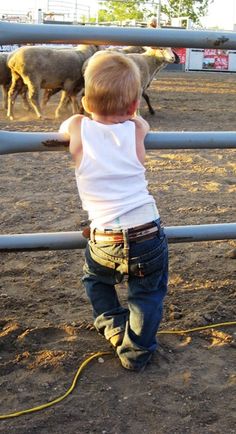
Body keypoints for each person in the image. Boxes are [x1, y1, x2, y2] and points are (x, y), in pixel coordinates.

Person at [59, 51, 168, 372]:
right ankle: (137, 352)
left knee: (96, 280)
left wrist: (83, 114)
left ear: (85, 102)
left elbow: (67, 124)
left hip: (103, 236)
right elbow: (143, 124)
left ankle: (114, 327)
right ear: (134, 106)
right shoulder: (135, 129)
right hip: (147, 231)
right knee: (146, 294)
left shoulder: (78, 126)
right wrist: (135, 119)